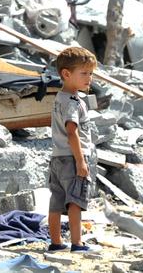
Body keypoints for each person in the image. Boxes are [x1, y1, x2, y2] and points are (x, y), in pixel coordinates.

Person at [47, 46, 98, 253]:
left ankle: (56, 242)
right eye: (84, 73)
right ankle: (78, 243)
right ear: (66, 74)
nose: (89, 78)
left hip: (57, 158)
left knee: (56, 202)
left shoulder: (59, 98)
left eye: (91, 73)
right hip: (72, 158)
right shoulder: (73, 102)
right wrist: (81, 161)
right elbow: (72, 132)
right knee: (75, 201)